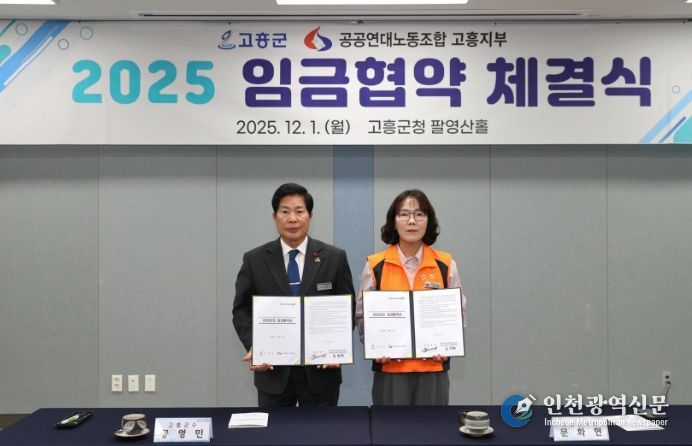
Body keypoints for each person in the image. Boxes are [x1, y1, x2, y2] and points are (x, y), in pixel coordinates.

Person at [233, 182, 355, 407]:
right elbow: (241, 310)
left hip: (321, 372)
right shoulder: (254, 259)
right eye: (285, 212)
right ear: (274, 216)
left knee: (322, 429)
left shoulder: (334, 257)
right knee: (275, 430)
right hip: (273, 372)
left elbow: (347, 309)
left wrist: (337, 348)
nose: (292, 219)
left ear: (310, 216)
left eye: (299, 211)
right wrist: (255, 346)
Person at [356, 189, 467, 406]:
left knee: (432, 426)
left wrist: (449, 346)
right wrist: (375, 346)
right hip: (390, 369)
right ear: (393, 221)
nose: (412, 221)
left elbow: (459, 313)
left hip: (433, 368)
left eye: (419, 214)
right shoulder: (375, 265)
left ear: (428, 221)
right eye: (404, 214)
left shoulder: (446, 265)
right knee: (390, 426)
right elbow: (361, 316)